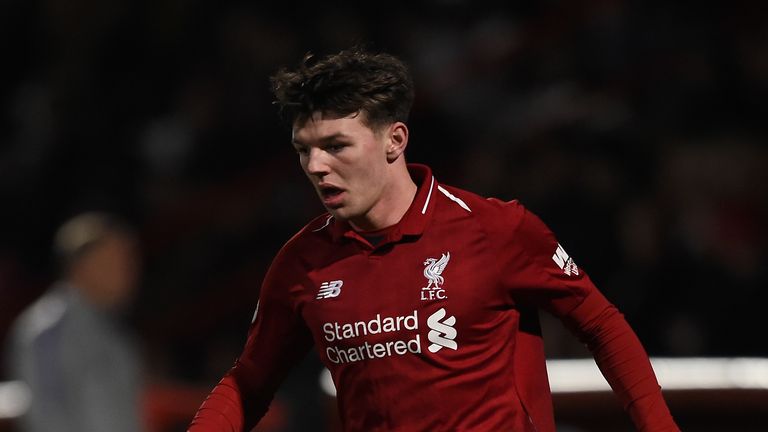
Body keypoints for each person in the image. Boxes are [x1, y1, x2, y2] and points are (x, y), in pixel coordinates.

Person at [189, 47, 679, 431]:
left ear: (394, 141)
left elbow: (603, 325)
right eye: (304, 150)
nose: (316, 167)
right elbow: (248, 382)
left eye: (336, 146)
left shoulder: (495, 228)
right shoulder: (302, 262)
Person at [6, 212, 144, 432]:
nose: (130, 272)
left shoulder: (115, 333)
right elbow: (45, 418)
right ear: (84, 264)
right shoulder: (47, 329)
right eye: (119, 259)